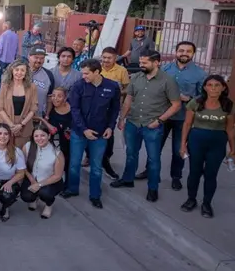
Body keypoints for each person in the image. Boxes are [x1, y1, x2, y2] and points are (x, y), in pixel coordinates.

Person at [111, 52, 182, 202]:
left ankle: (153, 188)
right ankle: (127, 179)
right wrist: (122, 118)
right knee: (131, 154)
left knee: (153, 158)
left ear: (156, 63)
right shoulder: (136, 78)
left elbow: (176, 105)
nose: (141, 66)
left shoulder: (168, 81)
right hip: (133, 122)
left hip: (153, 126)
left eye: (145, 63)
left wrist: (160, 120)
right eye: (141, 63)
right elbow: (128, 99)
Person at [141, 41, 207, 189]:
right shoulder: (164, 69)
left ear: (193, 54)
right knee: (154, 146)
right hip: (162, 116)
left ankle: (176, 177)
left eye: (188, 51)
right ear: (176, 52)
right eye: (181, 50)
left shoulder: (200, 74)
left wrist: (188, 98)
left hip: (183, 118)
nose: (184, 53)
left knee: (179, 149)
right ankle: (149, 171)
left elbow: (204, 97)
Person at [64, 59, 120, 208]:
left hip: (100, 134)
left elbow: (115, 110)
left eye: (86, 73)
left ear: (96, 72)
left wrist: (110, 127)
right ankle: (72, 189)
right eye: (82, 73)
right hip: (79, 132)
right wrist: (84, 130)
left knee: (96, 167)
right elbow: (74, 110)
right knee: (74, 164)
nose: (84, 76)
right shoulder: (78, 86)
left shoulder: (112, 87)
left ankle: (95, 195)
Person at [180, 74, 235, 218]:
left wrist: (233, 150)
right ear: (205, 87)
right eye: (210, 85)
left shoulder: (228, 105)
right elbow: (187, 124)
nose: (213, 88)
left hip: (217, 143)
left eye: (217, 85)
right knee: (194, 172)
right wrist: (183, 145)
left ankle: (206, 203)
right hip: (197, 141)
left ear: (223, 87)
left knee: (211, 175)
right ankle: (191, 199)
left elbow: (230, 129)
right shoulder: (196, 102)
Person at [20, 125, 65, 219]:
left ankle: (49, 204)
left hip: (50, 182)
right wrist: (32, 180)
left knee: (45, 194)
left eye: (43, 135)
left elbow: (57, 176)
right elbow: (22, 166)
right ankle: (34, 198)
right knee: (26, 196)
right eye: (36, 136)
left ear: (49, 136)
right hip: (32, 178)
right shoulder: (27, 146)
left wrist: (39, 185)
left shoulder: (57, 153)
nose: (39, 138)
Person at [99, 46, 130, 180]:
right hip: (96, 109)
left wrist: (114, 92)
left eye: (109, 58)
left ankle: (106, 158)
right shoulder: (96, 68)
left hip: (112, 109)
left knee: (109, 137)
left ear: (115, 58)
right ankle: (94, 158)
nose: (106, 60)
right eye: (104, 57)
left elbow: (127, 89)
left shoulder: (121, 70)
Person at [0, 60, 38, 150]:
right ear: (12, 70)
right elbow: (0, 108)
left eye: (22, 70)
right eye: (17, 70)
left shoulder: (32, 87)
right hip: (6, 124)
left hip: (25, 125)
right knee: (5, 152)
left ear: (26, 72)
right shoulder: (5, 85)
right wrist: (11, 125)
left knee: (21, 154)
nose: (19, 73)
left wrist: (21, 125)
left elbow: (33, 108)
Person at [37, 87, 72, 187]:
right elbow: (39, 118)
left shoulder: (72, 109)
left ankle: (68, 185)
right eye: (53, 95)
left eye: (59, 96)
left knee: (70, 164)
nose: (55, 98)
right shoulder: (50, 110)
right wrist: (44, 120)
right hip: (56, 142)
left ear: (65, 98)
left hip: (70, 142)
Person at [28, 47, 55, 117]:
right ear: (29, 57)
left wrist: (47, 115)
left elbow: (49, 97)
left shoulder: (49, 75)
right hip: (20, 115)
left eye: (42, 58)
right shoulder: (20, 71)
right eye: (36, 57)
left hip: (39, 115)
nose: (39, 60)